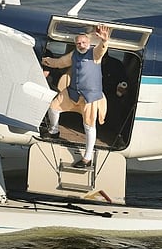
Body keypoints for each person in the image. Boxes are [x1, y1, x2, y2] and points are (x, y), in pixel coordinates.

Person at [41, 25, 110, 168]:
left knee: (89, 126)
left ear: (89, 44)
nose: (81, 45)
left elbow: (101, 49)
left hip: (90, 97)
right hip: (73, 92)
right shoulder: (74, 55)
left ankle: (87, 158)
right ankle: (54, 131)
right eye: (78, 43)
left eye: (84, 42)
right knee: (54, 107)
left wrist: (104, 41)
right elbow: (59, 63)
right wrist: (44, 60)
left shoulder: (94, 54)